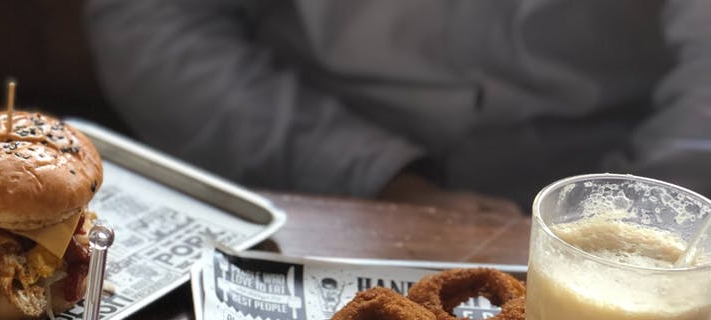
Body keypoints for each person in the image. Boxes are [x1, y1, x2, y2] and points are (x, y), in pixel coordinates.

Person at [83, 0, 711, 215]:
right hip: (307, 180)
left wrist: (626, 228)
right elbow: (151, 20)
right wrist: (373, 176)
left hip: (619, 194)